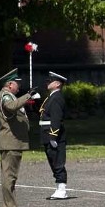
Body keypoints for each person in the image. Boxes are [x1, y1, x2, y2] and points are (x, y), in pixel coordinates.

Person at [0, 68, 39, 207]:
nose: (19, 86)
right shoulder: (6, 96)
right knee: (9, 175)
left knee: (11, 176)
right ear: (9, 84)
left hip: (13, 141)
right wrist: (28, 96)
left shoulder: (9, 95)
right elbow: (11, 107)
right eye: (17, 83)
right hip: (10, 141)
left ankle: (10, 206)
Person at [40, 71, 69, 200]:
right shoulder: (51, 96)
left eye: (50, 81)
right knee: (53, 161)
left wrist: (53, 136)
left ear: (57, 84)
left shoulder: (57, 97)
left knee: (58, 162)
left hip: (53, 135)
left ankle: (62, 189)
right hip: (47, 134)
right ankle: (59, 187)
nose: (47, 83)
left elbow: (56, 119)